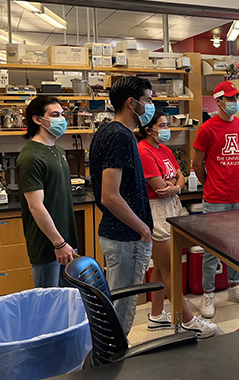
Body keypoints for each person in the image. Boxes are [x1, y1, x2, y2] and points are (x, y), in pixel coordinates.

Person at [138, 112, 218, 337]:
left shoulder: (164, 150)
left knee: (161, 266)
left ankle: (156, 315)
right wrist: (174, 185)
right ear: (148, 129)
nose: (166, 129)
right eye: (161, 125)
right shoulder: (143, 151)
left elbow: (180, 176)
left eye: (166, 124)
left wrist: (175, 186)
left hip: (171, 204)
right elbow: (157, 185)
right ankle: (187, 320)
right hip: (157, 211)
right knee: (170, 269)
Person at [89, 76, 154, 336]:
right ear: (132, 103)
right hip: (126, 238)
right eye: (148, 100)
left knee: (114, 306)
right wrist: (143, 229)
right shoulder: (119, 136)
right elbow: (110, 196)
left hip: (117, 234)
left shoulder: (108, 131)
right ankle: (112, 366)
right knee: (120, 313)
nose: (150, 106)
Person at [191, 80, 239, 319]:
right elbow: (196, 164)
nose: (234, 102)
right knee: (213, 248)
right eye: (229, 99)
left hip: (238, 194)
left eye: (236, 98)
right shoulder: (207, 129)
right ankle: (208, 294)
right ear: (218, 100)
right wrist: (208, 183)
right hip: (216, 197)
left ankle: (234, 286)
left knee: (237, 245)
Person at [16, 96, 76, 287]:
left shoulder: (58, 151)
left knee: (66, 302)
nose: (62, 119)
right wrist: (58, 243)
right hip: (48, 245)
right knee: (47, 306)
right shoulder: (31, 157)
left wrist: (65, 242)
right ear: (37, 119)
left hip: (66, 241)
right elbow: (35, 206)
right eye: (55, 115)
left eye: (62, 114)